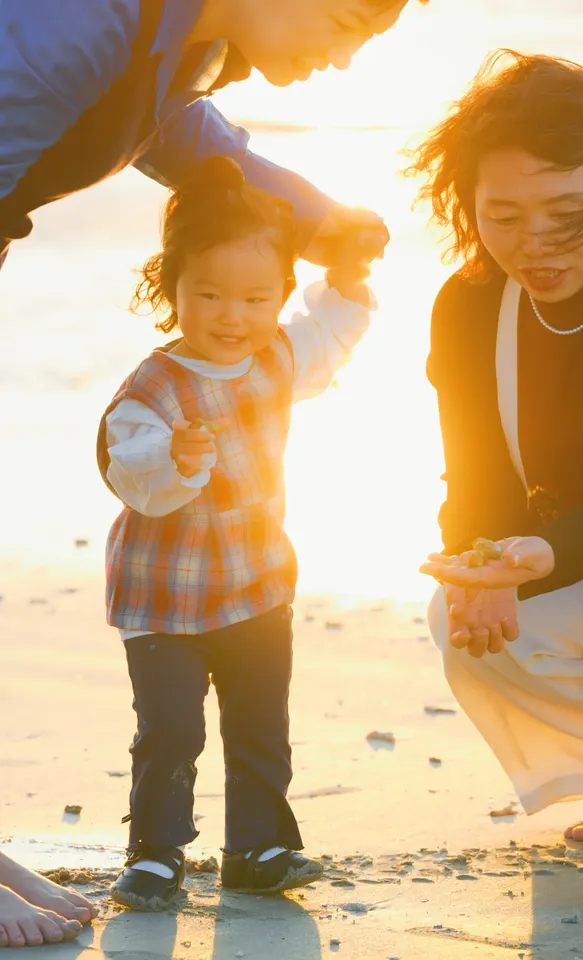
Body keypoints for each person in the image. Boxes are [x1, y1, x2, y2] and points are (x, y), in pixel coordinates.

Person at [96, 157, 373, 910]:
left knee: (260, 725)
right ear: (172, 288)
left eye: (256, 297)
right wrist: (173, 459)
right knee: (172, 729)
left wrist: (348, 279)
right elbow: (128, 469)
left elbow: (328, 335)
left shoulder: (277, 355)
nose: (231, 315)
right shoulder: (153, 384)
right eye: (208, 293)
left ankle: (257, 847)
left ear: (280, 294)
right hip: (165, 596)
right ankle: (154, 854)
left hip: (256, 583)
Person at [413, 51, 583, 842]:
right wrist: (476, 561)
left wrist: (546, 553)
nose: (536, 243)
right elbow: (473, 473)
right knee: (469, 620)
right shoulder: (472, 303)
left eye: (566, 211)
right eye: (504, 216)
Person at [0, 0, 423, 274]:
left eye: (364, 39)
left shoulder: (192, 42)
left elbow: (154, 122)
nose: (344, 58)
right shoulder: (84, 21)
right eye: (342, 24)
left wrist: (304, 212)